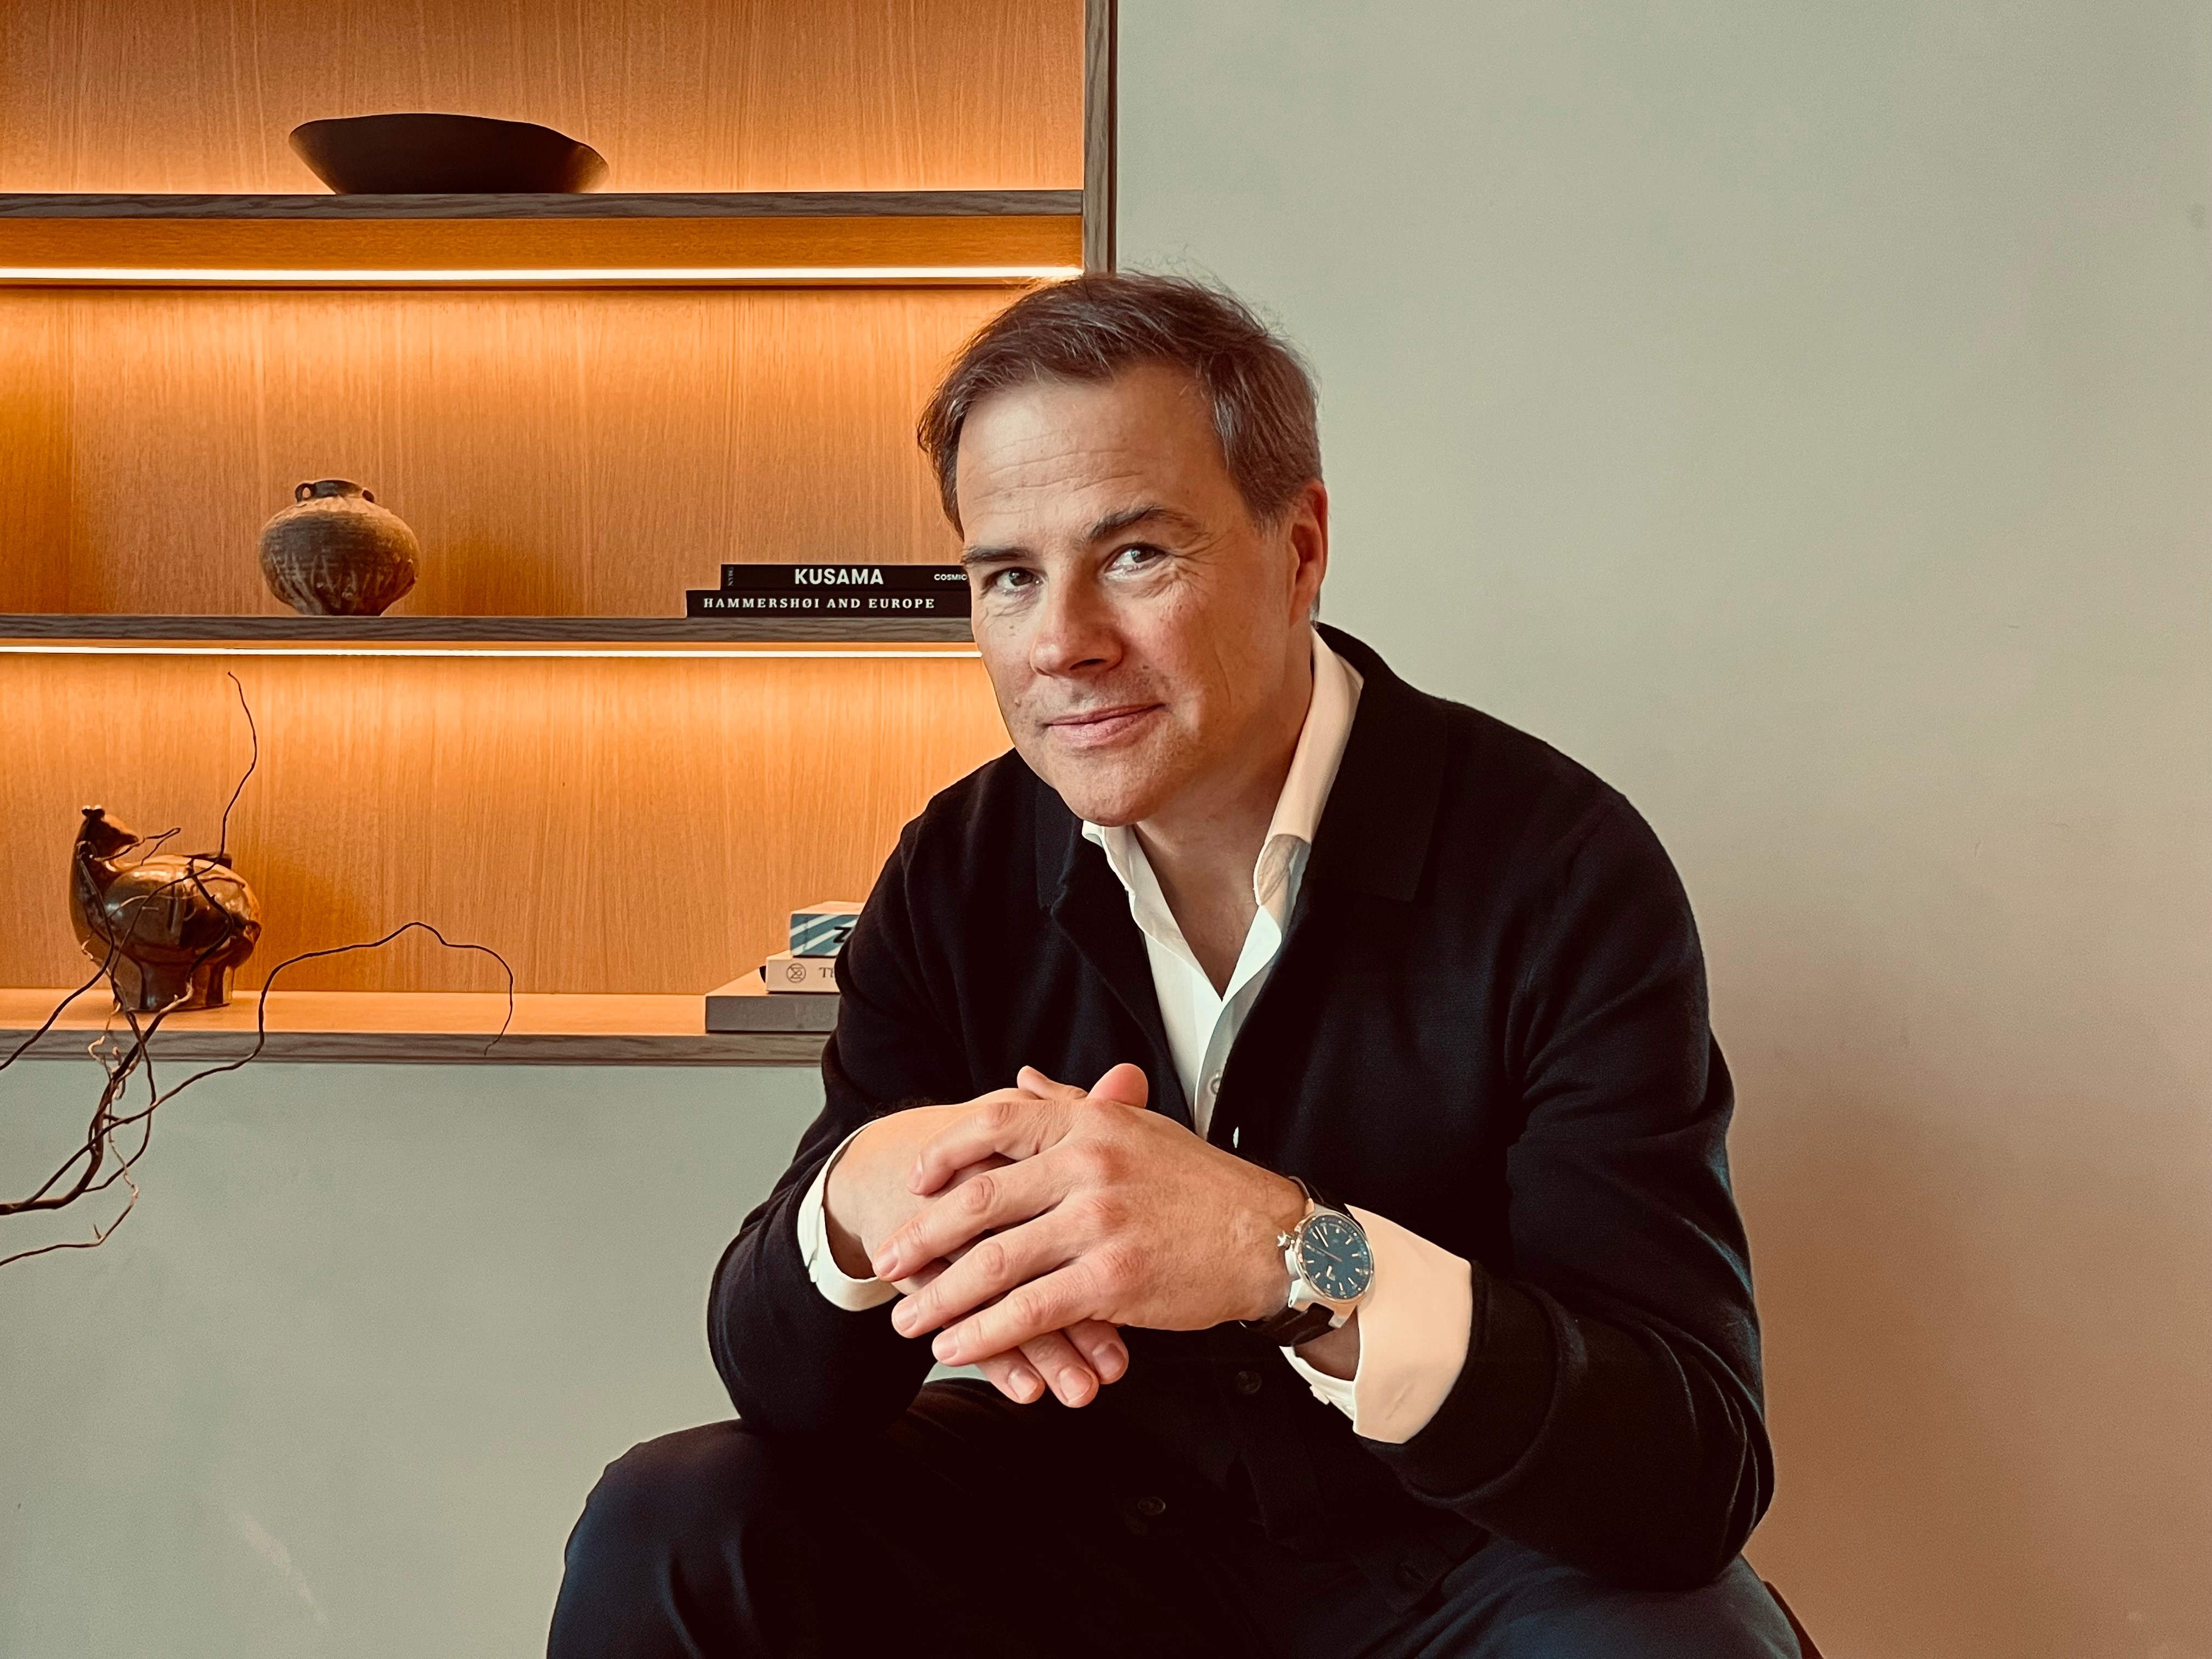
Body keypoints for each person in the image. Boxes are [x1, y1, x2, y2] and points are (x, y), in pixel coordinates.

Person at [548, 274, 1798, 1658]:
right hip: (1061, 1549)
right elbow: (791, 1392)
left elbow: (1688, 1471)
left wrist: (1289, 1257)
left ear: (1301, 547)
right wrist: (853, 1213)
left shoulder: (1561, 871)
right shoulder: (956, 870)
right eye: (1007, 575)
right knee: (677, 1519)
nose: (1060, 641)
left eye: (1136, 555)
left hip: (1458, 1572)